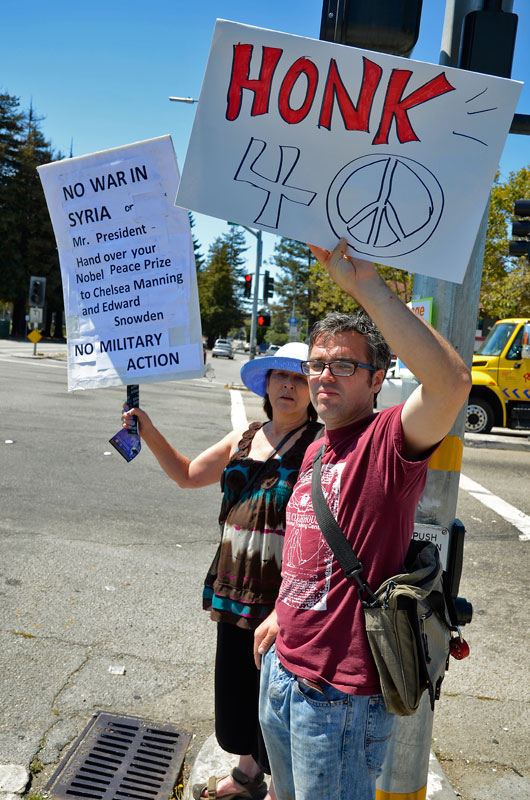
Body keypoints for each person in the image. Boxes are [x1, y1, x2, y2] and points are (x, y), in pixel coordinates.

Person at [255, 239, 472, 800]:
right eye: (318, 364)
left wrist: (366, 286)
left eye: (345, 365)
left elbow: (451, 385)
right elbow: (311, 552)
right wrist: (282, 618)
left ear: (377, 379)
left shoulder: (386, 442)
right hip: (282, 673)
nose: (325, 377)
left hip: (339, 699)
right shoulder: (317, 447)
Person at [121, 342, 323, 800]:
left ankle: (280, 789)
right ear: (266, 384)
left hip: (283, 595)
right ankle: (248, 775)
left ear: (313, 388)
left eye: (299, 378)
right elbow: (189, 473)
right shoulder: (246, 437)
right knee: (237, 687)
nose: (288, 386)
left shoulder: (320, 446)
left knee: (282, 696)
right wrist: (148, 431)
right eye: (279, 376)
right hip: (234, 584)